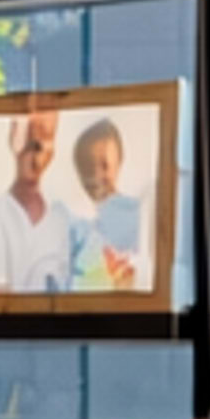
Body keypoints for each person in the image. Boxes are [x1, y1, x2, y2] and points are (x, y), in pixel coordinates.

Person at [0, 109, 78, 295]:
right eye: (28, 136)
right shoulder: (3, 211)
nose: (36, 147)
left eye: (46, 135)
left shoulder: (61, 217)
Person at [64, 113, 149, 289]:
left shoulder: (139, 218)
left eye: (104, 165)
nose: (96, 176)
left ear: (119, 161)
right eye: (88, 166)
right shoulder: (77, 231)